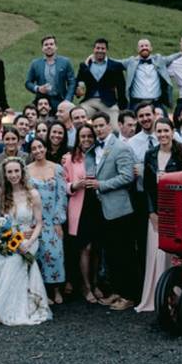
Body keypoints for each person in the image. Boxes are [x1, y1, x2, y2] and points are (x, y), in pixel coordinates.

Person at [136, 118, 182, 312]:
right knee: (157, 252)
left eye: (165, 131)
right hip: (157, 210)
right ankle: (157, 296)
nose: (162, 135)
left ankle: (181, 293)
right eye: (159, 131)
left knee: (177, 252)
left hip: (178, 210)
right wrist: (151, 212)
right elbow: (147, 187)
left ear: (172, 131)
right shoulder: (150, 154)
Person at [0, 157, 52, 327]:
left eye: (16, 171)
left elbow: (39, 223)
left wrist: (29, 243)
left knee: (14, 260)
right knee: (6, 261)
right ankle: (10, 307)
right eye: (9, 172)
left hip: (29, 239)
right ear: (5, 174)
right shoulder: (1, 195)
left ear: (22, 172)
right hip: (9, 238)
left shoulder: (33, 194)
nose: (13, 175)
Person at [85, 112, 137, 311]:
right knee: (111, 254)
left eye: (101, 125)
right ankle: (116, 292)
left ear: (109, 125)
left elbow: (126, 177)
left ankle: (129, 295)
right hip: (103, 209)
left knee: (125, 254)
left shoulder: (120, 147)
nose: (98, 129)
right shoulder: (95, 149)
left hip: (120, 209)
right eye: (95, 126)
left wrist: (101, 184)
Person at [62, 125, 105, 304]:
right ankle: (86, 286)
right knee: (85, 248)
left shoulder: (99, 155)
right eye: (83, 136)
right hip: (80, 206)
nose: (86, 139)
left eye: (89, 136)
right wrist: (74, 185)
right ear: (77, 138)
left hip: (98, 204)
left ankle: (95, 283)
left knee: (96, 247)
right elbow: (62, 184)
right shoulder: (69, 158)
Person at [26, 137, 68, 305]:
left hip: (52, 219)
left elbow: (62, 195)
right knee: (38, 254)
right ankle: (42, 291)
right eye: (34, 148)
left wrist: (58, 220)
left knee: (55, 254)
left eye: (40, 147)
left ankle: (57, 288)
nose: (37, 151)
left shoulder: (57, 168)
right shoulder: (26, 170)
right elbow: (25, 195)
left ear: (45, 148)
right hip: (35, 219)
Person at [126, 101, 159, 295]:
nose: (146, 119)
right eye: (142, 116)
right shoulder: (132, 143)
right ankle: (146, 285)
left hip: (165, 197)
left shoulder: (167, 135)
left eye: (148, 115)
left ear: (154, 114)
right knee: (144, 241)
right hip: (141, 197)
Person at [110, 38, 182, 110]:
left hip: (156, 103)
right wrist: (103, 58)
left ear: (151, 48)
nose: (144, 48)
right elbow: (116, 63)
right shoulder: (131, 62)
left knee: (163, 123)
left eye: (146, 46)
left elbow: (172, 57)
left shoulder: (159, 60)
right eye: (141, 46)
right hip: (136, 103)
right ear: (137, 49)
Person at [75, 38, 127, 126]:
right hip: (89, 101)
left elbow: (121, 87)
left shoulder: (115, 66)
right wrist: (78, 92)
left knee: (115, 129)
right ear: (94, 49)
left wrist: (122, 107)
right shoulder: (85, 65)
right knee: (80, 123)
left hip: (108, 103)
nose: (100, 50)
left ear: (106, 50)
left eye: (102, 48)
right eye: (97, 48)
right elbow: (78, 82)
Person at [25, 34, 76, 111]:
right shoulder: (35, 63)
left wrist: (67, 100)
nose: (49, 46)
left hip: (60, 100)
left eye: (51, 44)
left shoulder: (65, 62)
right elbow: (28, 83)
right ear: (42, 48)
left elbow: (72, 82)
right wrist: (38, 88)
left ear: (56, 47)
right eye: (46, 45)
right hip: (42, 101)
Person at [0, 127, 26, 191]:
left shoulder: (26, 157)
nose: (10, 142)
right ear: (3, 141)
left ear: (18, 140)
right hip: (3, 197)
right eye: (7, 139)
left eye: (13, 139)